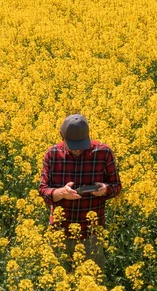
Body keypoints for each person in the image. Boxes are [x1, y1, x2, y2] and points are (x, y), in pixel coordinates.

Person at [38, 114, 121, 270]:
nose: (77, 150)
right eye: (72, 145)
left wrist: (105, 190)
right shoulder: (52, 154)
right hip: (59, 232)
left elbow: (116, 186)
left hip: (90, 233)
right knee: (57, 281)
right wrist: (61, 193)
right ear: (61, 136)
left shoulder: (103, 153)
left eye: (80, 145)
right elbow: (43, 190)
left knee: (92, 283)